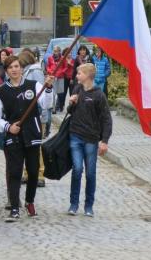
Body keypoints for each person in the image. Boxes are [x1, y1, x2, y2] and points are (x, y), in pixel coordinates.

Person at [0, 55, 53, 222]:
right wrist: (8, 127)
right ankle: (15, 208)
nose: (14, 70)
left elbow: (46, 104)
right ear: (7, 71)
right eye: (10, 67)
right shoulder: (1, 91)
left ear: (21, 68)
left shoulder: (33, 85)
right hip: (13, 137)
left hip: (32, 135)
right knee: (15, 173)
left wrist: (48, 88)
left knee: (33, 172)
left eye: (16, 66)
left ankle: (29, 201)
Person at [67, 63, 112, 217]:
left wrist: (104, 140)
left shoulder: (99, 95)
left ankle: (89, 205)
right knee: (77, 169)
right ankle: (73, 204)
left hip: (91, 139)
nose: (76, 76)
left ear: (87, 75)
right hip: (75, 136)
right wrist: (71, 103)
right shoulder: (77, 89)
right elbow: (70, 112)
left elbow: (106, 119)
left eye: (79, 73)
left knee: (90, 173)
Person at [18, 50, 49, 187]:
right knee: (27, 145)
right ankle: (27, 173)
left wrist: (42, 114)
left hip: (38, 115)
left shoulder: (34, 72)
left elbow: (40, 94)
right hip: (27, 115)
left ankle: (40, 174)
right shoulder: (27, 72)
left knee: (37, 146)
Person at [46, 46, 67, 113]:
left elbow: (65, 67)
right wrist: (50, 71)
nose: (55, 52)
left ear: (59, 51)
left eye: (56, 51)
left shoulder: (63, 58)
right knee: (53, 93)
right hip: (52, 77)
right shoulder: (50, 58)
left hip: (60, 77)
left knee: (60, 93)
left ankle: (60, 106)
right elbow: (48, 66)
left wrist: (61, 72)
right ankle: (53, 109)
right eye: (54, 51)